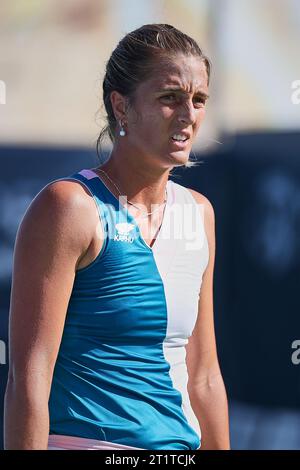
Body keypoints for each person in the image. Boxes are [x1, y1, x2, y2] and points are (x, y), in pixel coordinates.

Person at [4, 23, 230, 450]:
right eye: (170, 98)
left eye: (198, 100)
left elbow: (204, 375)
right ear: (121, 107)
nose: (188, 115)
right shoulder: (69, 206)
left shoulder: (200, 214)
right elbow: (30, 374)